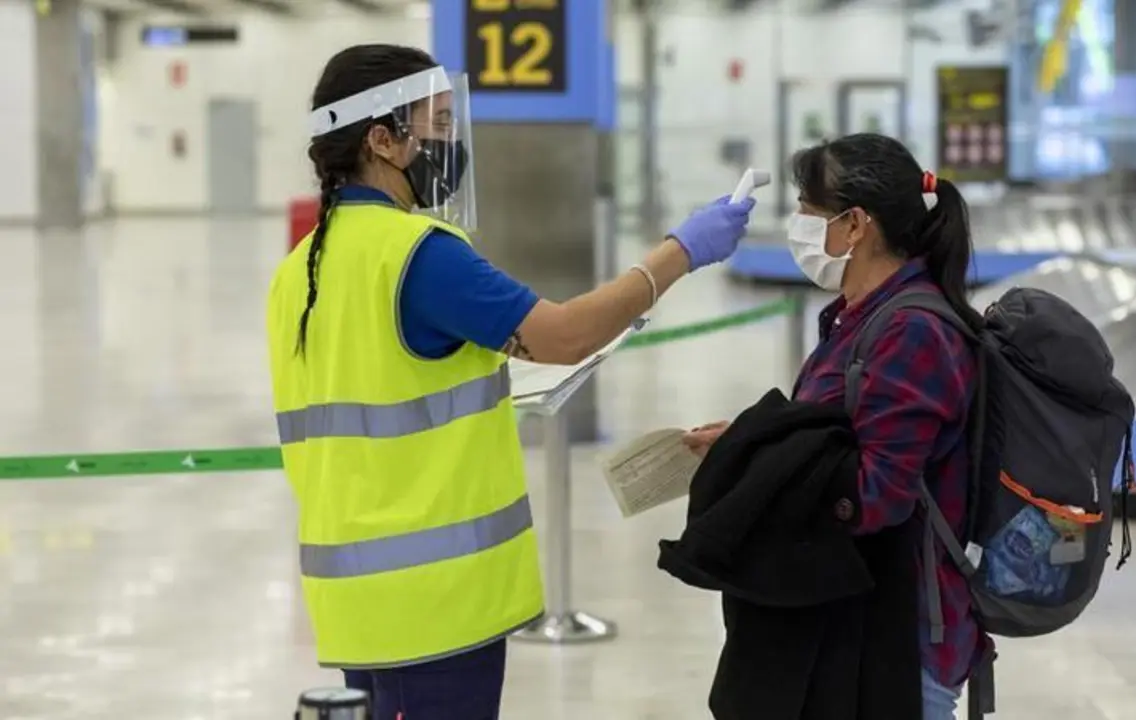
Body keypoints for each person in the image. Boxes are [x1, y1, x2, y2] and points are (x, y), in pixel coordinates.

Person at [265, 44, 756, 720]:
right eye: (435, 124)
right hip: (435, 605)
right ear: (381, 139)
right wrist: (681, 252)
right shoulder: (420, 255)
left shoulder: (301, 269)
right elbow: (562, 335)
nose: (450, 141)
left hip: (359, 598)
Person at [683, 133, 988, 720]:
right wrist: (748, 440)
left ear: (855, 226)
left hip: (903, 643)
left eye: (808, 209)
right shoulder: (859, 317)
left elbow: (875, 497)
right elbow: (837, 436)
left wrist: (754, 460)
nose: (798, 223)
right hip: (855, 625)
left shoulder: (915, 332)